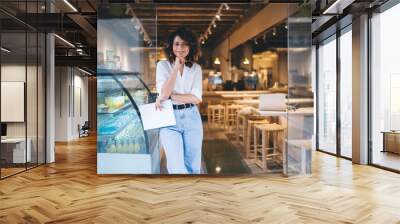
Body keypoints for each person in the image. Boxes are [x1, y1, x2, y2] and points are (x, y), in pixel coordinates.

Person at [155, 27, 203, 174]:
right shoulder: (162, 65)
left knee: (193, 166)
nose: (180, 48)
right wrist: (175, 68)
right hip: (169, 119)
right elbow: (163, 92)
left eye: (184, 44)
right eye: (177, 44)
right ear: (171, 46)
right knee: (176, 168)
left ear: (190, 47)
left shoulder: (196, 68)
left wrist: (169, 96)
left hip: (192, 117)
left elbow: (196, 98)